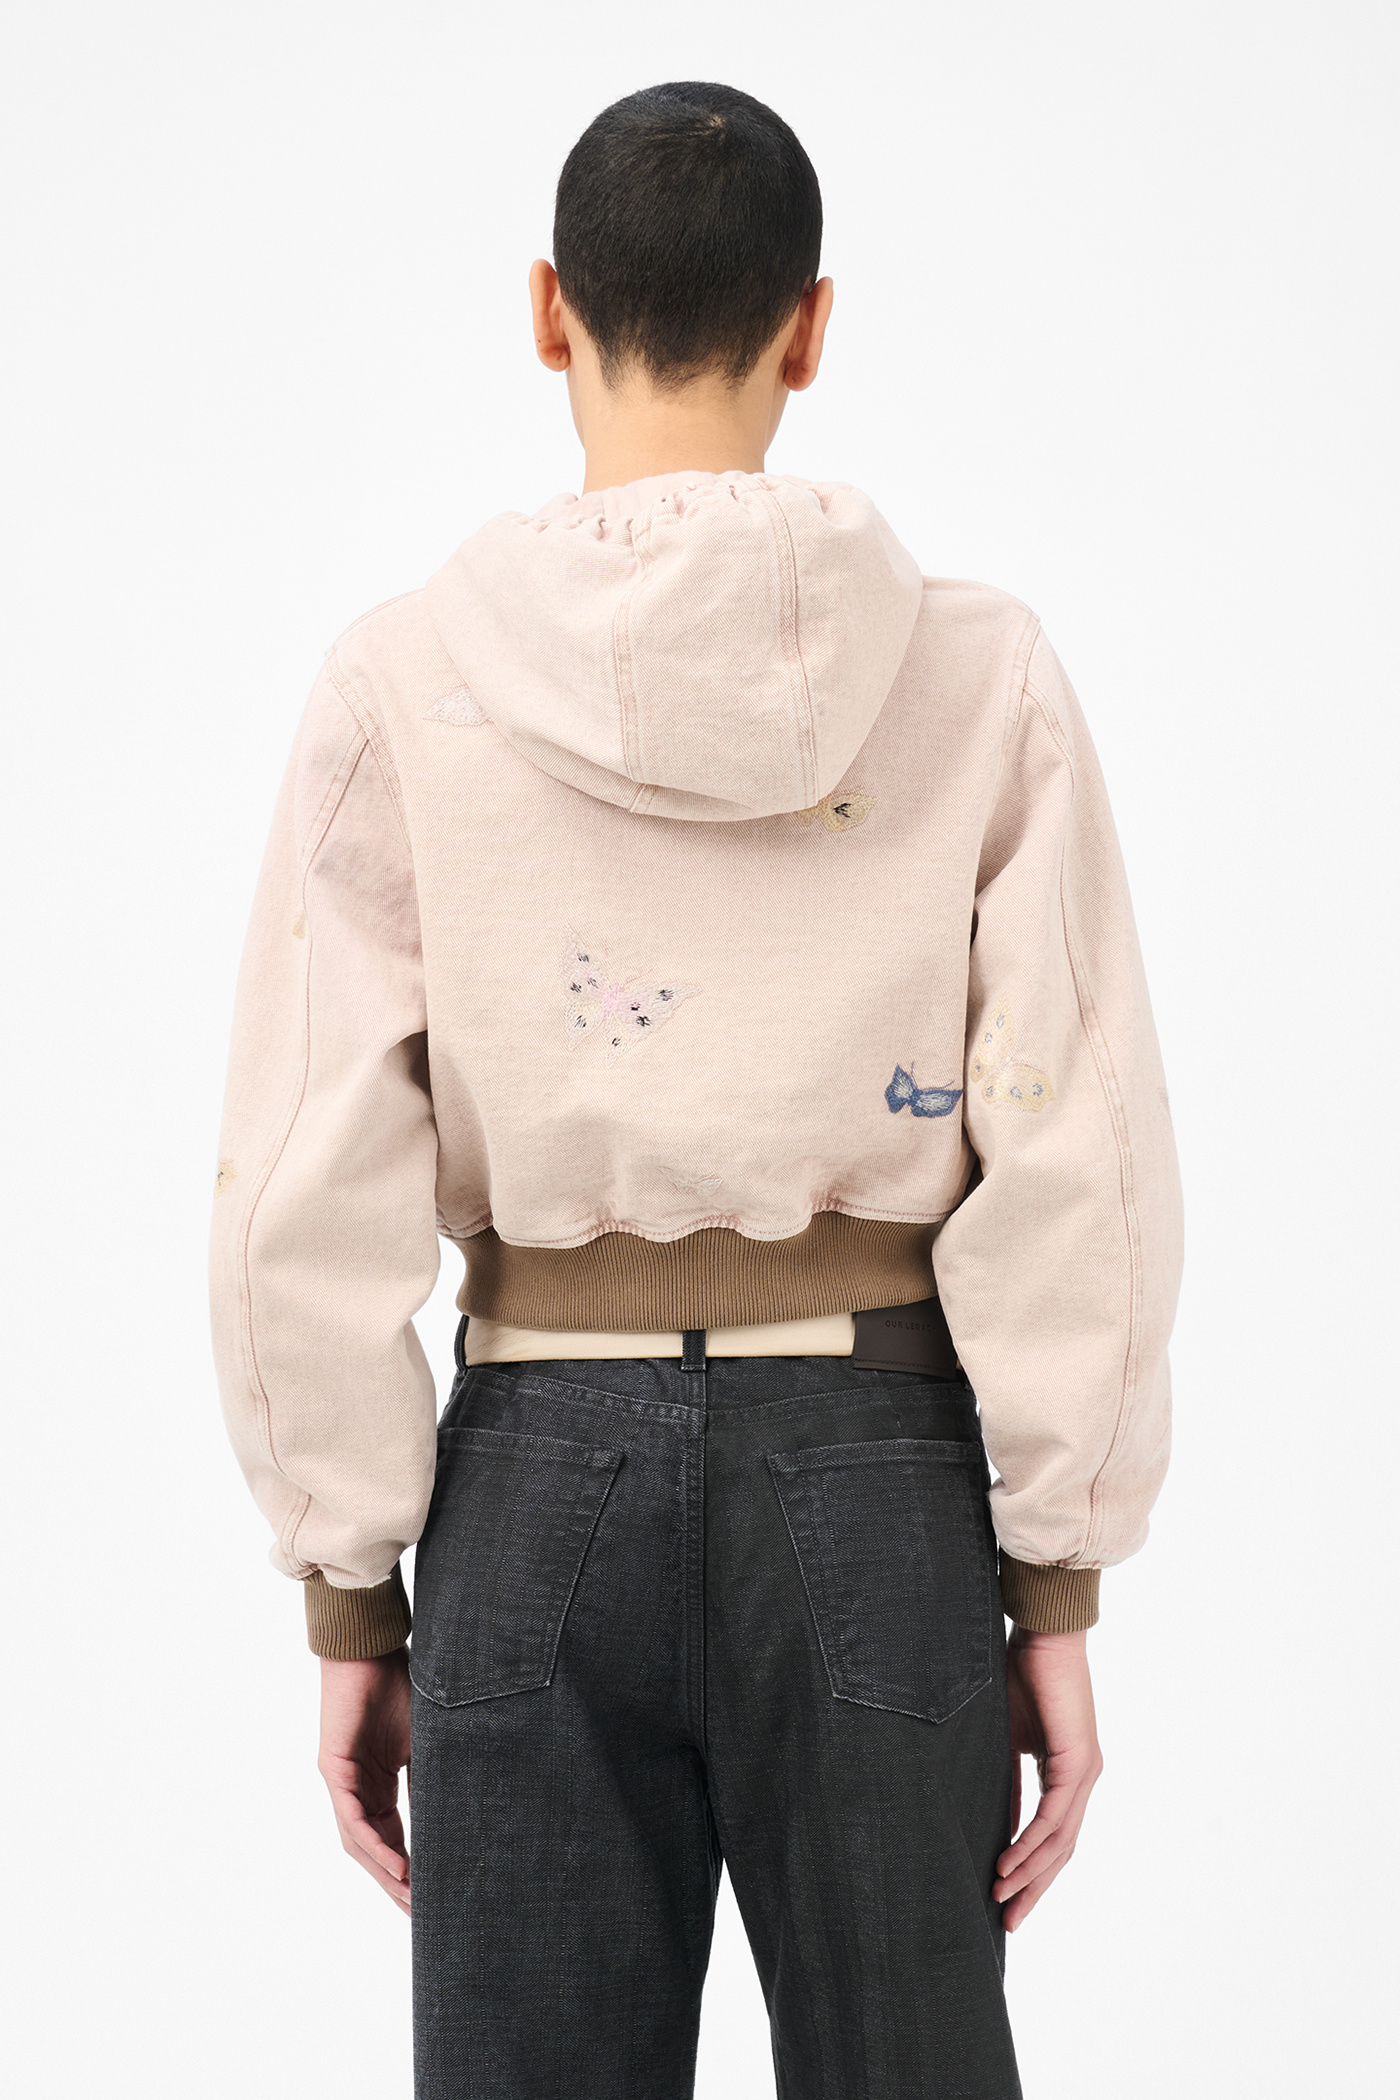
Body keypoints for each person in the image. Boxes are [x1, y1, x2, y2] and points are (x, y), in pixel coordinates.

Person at [210, 79, 1183, 2100]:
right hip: (878, 1470)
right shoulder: (980, 677)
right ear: (810, 330)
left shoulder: (401, 685)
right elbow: (1074, 1146)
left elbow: (306, 1167)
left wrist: (347, 1591)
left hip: (530, 1482)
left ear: (546, 313)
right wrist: (1056, 1575)